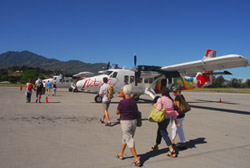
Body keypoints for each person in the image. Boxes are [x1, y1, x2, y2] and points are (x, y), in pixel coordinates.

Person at [115, 85, 141, 167]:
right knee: (126, 137)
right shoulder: (133, 101)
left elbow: (117, 112)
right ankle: (121, 153)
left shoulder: (122, 102)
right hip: (134, 121)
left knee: (129, 139)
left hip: (126, 122)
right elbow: (136, 111)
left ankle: (136, 159)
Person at [151, 87, 179, 158]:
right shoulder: (170, 100)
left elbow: (159, 108)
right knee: (160, 130)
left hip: (162, 117)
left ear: (162, 93)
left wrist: (155, 106)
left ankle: (171, 149)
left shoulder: (160, 99)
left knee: (163, 133)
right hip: (168, 119)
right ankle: (156, 145)